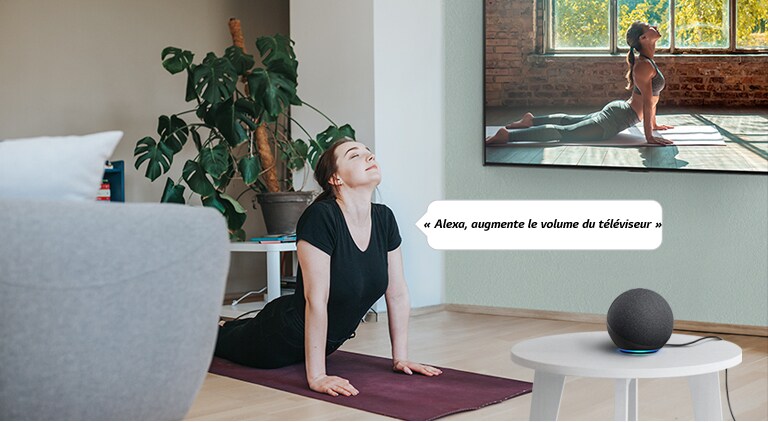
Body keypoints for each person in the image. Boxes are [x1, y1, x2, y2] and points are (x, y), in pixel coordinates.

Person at [215, 138, 442, 397]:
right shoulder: (321, 217)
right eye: (354, 155)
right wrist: (317, 376)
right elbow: (316, 299)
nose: (369, 157)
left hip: (324, 342)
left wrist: (400, 359)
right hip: (280, 338)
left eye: (369, 153)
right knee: (212, 340)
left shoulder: (384, 218)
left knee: (230, 327)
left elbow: (397, 293)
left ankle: (223, 324)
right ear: (335, 178)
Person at [486, 21, 674, 146]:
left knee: (571, 120)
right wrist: (649, 136)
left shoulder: (647, 62)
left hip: (622, 111)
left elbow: (651, 99)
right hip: (618, 118)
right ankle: (508, 136)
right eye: (649, 26)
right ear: (643, 39)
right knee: (565, 132)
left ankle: (531, 120)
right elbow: (648, 102)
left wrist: (654, 125)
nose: (654, 25)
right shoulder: (643, 66)